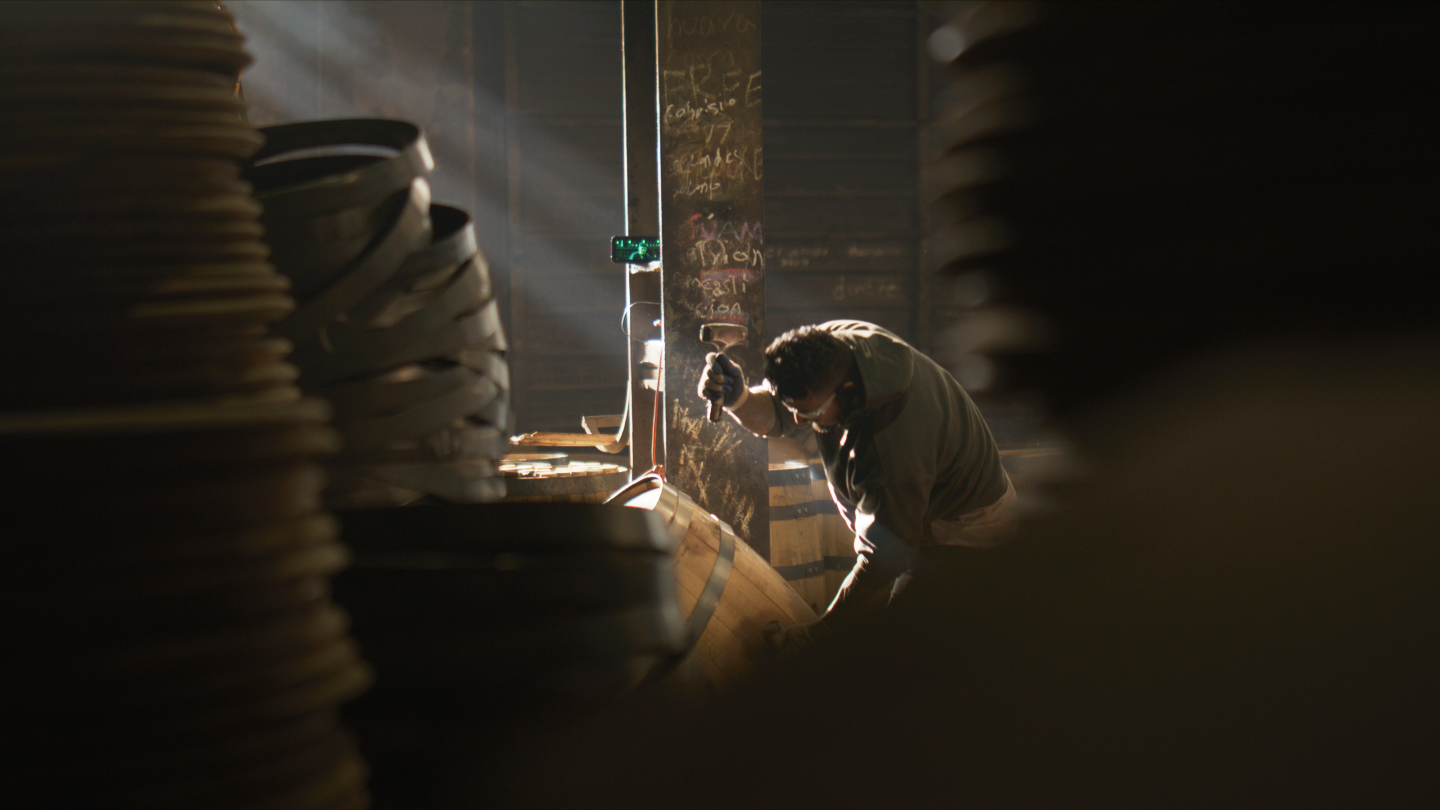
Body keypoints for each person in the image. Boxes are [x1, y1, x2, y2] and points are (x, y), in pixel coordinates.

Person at [698, 320, 1016, 642]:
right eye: (794, 410)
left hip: (965, 531)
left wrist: (816, 636)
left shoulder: (891, 446)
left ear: (847, 393)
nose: (798, 422)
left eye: (808, 416)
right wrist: (741, 399)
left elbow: (883, 560)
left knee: (906, 645)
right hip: (915, 512)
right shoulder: (830, 350)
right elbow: (783, 412)